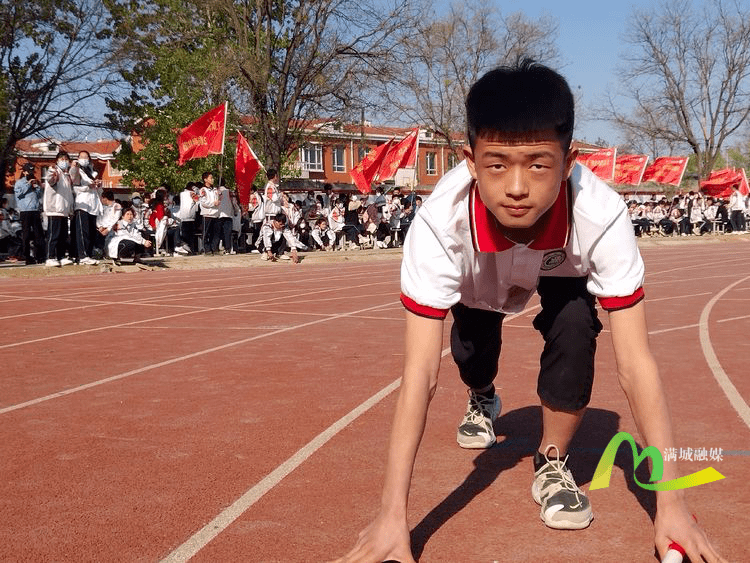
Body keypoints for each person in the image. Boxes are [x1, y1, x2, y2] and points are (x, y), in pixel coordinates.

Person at [333, 61, 726, 563]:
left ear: (568, 162)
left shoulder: (601, 214)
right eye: (496, 164)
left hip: (563, 274)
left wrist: (672, 505)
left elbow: (635, 363)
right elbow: (419, 372)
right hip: (479, 283)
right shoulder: (438, 223)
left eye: (538, 164)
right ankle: (482, 395)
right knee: (472, 355)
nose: (516, 186)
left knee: (576, 323)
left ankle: (552, 461)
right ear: (470, 163)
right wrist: (392, 516)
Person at [43, 150, 75, 267]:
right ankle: (50, 257)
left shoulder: (66, 176)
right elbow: (50, 179)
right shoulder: (55, 172)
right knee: (53, 235)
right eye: (62, 159)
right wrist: (51, 171)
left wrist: (70, 209)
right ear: (56, 161)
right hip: (55, 209)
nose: (64, 162)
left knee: (63, 236)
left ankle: (61, 256)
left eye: (66, 159)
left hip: (64, 210)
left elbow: (69, 194)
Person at [70, 150, 102, 265]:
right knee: (83, 232)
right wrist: (88, 186)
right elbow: (75, 187)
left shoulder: (91, 172)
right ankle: (82, 255)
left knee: (91, 232)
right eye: (82, 157)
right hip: (82, 204)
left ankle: (89, 254)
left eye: (86, 157)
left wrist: (98, 185)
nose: (84, 159)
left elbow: (97, 191)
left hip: (92, 205)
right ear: (77, 158)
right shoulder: (77, 171)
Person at [13, 162, 46, 265]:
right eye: (28, 171)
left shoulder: (34, 182)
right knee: (26, 234)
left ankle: (40, 255)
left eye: (32, 171)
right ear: (24, 172)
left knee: (39, 234)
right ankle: (26, 256)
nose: (30, 173)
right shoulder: (19, 182)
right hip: (25, 211)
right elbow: (18, 194)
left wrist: (37, 187)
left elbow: (38, 195)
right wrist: (28, 184)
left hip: (35, 210)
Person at [199, 171, 221, 254]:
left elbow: (219, 197)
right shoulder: (203, 190)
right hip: (207, 214)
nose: (212, 180)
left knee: (215, 233)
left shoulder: (215, 189)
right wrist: (213, 203)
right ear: (205, 179)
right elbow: (203, 202)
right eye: (210, 178)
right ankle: (207, 249)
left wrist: (218, 200)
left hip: (215, 213)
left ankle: (214, 248)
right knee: (206, 233)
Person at [177, 182, 200, 253]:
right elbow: (197, 201)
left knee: (185, 236)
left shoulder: (182, 194)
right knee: (191, 236)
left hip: (184, 217)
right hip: (190, 217)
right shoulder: (191, 194)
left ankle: (187, 250)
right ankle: (191, 250)